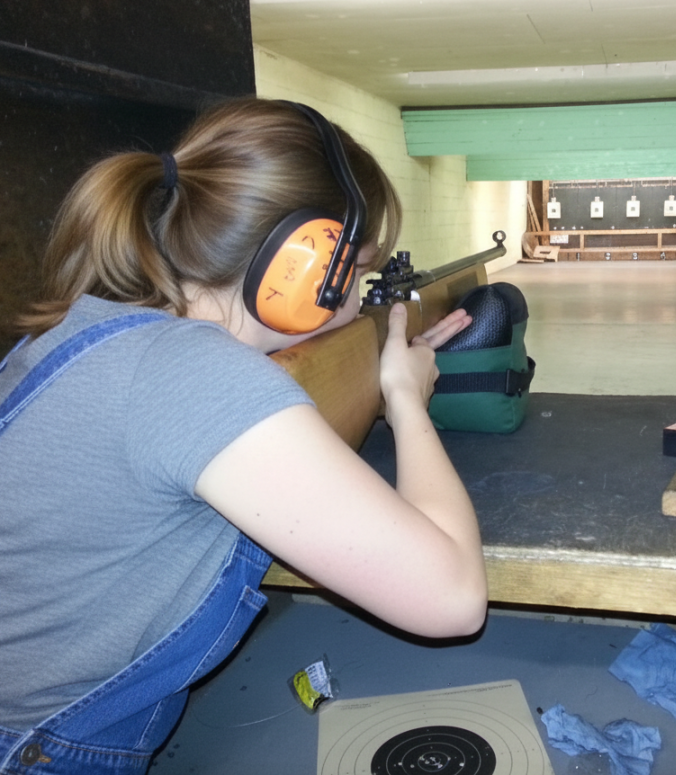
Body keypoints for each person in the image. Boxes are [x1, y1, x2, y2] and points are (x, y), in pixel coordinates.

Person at [0, 97, 487, 775]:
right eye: (359, 276)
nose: (357, 302)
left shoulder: (88, 333)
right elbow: (454, 598)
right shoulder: (193, 372)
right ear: (308, 271)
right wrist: (404, 395)